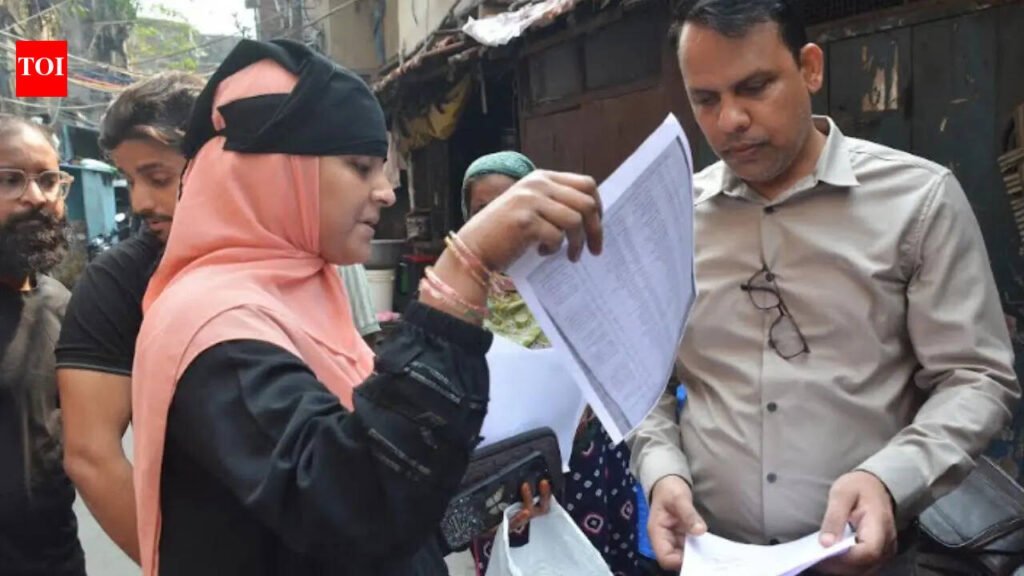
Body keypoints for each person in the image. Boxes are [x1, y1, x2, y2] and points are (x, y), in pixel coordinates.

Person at [130, 39, 602, 576]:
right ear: (275, 172)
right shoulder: (213, 328)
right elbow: (354, 503)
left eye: (382, 167)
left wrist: (486, 484)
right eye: (359, 166)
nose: (386, 192)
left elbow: (378, 462)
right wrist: (462, 271)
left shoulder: (302, 293)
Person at [627, 1, 1021, 575]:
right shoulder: (672, 218)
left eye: (754, 87)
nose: (730, 119)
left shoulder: (918, 201)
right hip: (712, 554)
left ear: (810, 68)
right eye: (705, 99)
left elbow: (976, 376)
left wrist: (889, 480)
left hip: (868, 558)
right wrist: (661, 471)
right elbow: (643, 385)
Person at [462, 151, 641, 576]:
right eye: (483, 210)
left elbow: (614, 364)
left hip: (583, 462)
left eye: (512, 205)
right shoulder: (459, 293)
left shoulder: (574, 276)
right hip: (496, 472)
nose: (499, 220)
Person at [56, 72, 204, 564]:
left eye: (158, 179)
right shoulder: (118, 282)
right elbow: (91, 455)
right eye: (131, 180)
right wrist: (178, 564)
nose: (140, 202)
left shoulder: (294, 252)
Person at [0, 115, 83, 575]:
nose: (35, 197)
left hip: (55, 560)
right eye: (10, 180)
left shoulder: (61, 306)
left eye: (49, 180)